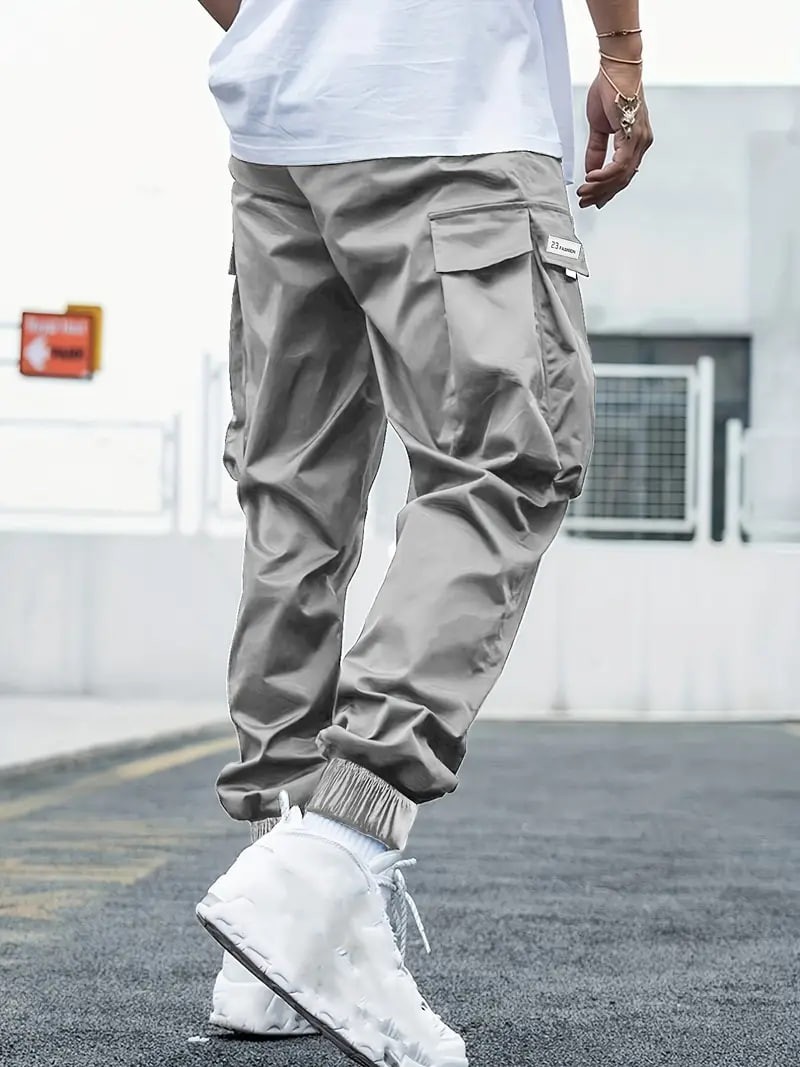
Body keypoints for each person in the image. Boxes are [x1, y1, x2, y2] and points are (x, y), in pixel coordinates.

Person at [194, 1, 653, 1063]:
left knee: (295, 493)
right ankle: (330, 854)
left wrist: (294, 22)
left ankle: (280, 920)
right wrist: (621, 57)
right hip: (453, 111)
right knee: (507, 462)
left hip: (282, 131)